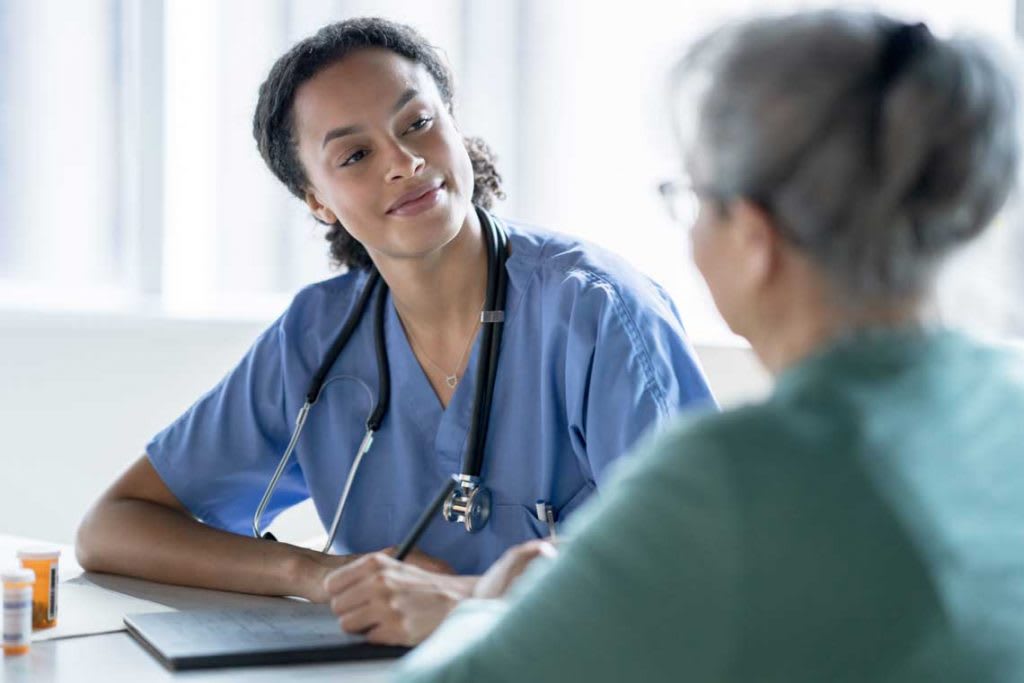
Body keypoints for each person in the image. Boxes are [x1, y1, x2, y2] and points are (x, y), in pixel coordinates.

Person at [396, 10, 1024, 682]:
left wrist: (488, 607)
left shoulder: (734, 479)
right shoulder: (1004, 404)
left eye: (692, 198)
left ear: (755, 241)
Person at [74, 17, 714, 646]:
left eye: (419, 124)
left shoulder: (596, 311)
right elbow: (113, 528)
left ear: (455, 128)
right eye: (354, 154)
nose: (404, 162)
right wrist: (317, 574)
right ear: (317, 201)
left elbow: (698, 571)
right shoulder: (318, 336)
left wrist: (468, 602)